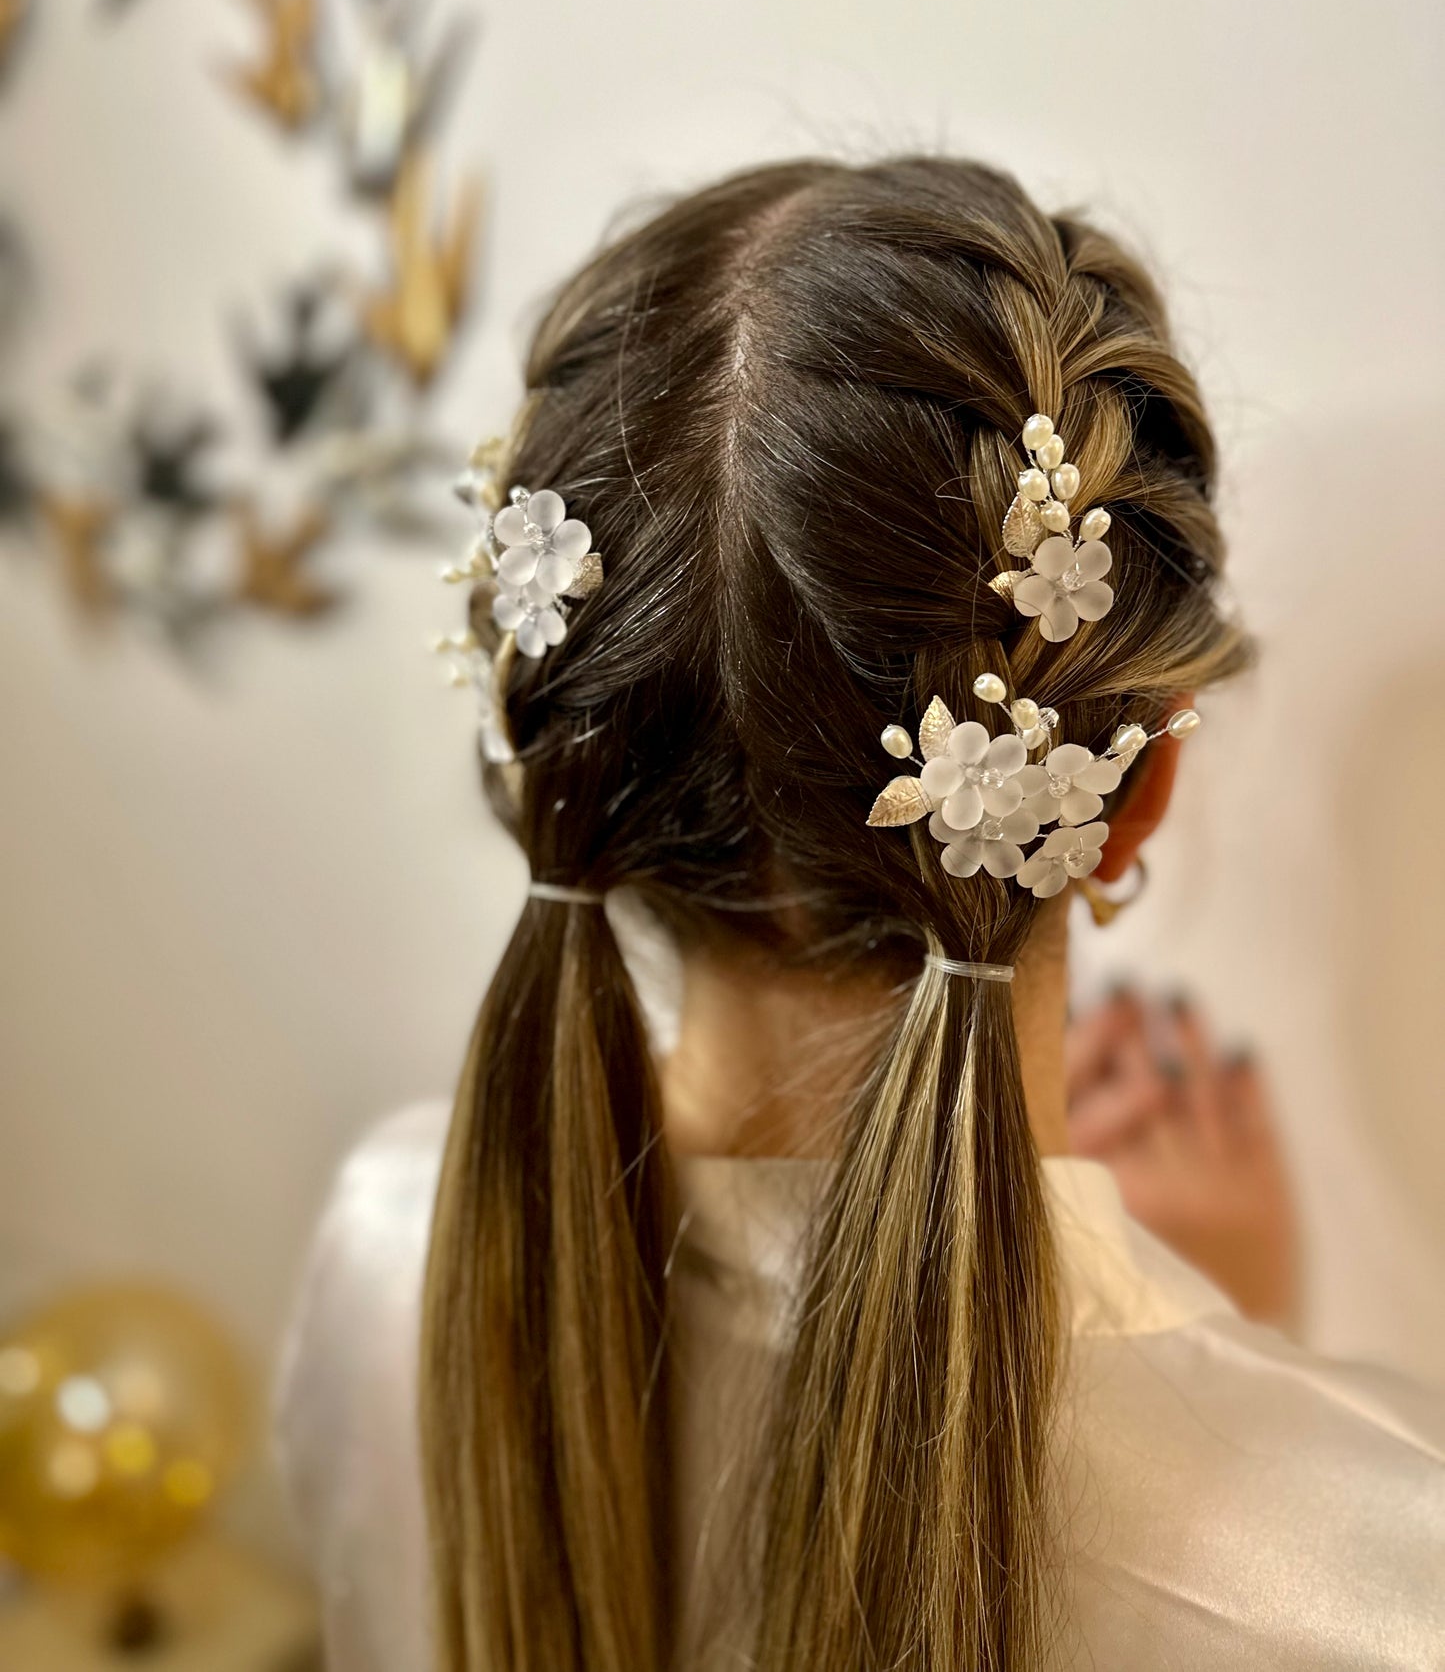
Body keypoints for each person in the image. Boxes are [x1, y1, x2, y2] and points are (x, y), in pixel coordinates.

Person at [277, 158, 1445, 1671]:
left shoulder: (396, 1250)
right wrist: (1227, 1343)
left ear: (564, 755)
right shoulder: (1358, 1574)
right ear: (1133, 791)